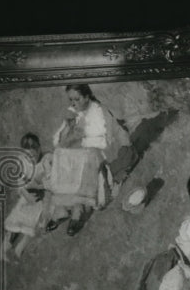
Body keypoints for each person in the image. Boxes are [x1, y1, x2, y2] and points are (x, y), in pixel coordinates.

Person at [46, 83, 131, 236]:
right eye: (71, 100)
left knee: (85, 156)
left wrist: (78, 140)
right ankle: (62, 208)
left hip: (104, 154)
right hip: (82, 153)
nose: (73, 103)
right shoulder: (74, 112)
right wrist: (67, 129)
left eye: (77, 99)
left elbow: (104, 142)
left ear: (86, 97)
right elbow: (57, 141)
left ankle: (79, 208)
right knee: (61, 153)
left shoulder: (98, 111)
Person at [2, 133, 52, 259]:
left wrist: (40, 186)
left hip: (41, 197)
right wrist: (27, 195)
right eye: (28, 156)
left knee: (32, 223)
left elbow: (50, 183)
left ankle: (19, 250)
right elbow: (20, 184)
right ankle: (6, 244)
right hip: (27, 195)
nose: (31, 158)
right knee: (17, 215)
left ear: (39, 149)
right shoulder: (22, 162)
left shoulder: (46, 160)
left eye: (34, 155)